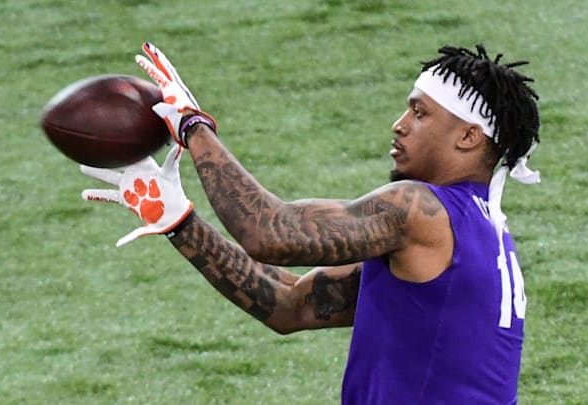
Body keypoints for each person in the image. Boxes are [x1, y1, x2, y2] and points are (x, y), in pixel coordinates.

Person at [80, 42, 541, 404]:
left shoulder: (420, 211)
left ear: (468, 136)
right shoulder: (476, 235)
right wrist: (180, 220)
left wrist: (193, 126)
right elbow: (290, 306)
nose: (399, 125)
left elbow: (270, 233)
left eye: (420, 113)